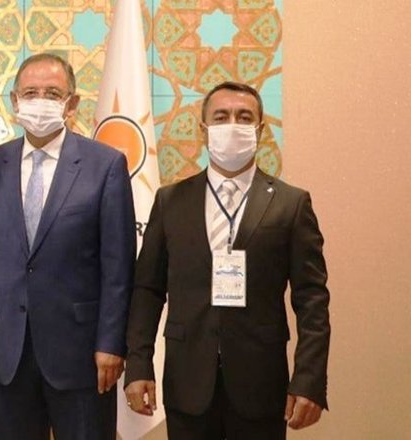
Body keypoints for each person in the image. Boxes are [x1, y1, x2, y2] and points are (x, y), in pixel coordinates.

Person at [124, 81, 331, 439]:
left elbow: (312, 299)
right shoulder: (170, 201)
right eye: (221, 117)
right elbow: (147, 290)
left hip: (261, 385)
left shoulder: (291, 204)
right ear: (203, 130)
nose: (232, 125)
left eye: (244, 117)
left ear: (260, 130)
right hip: (187, 381)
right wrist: (138, 364)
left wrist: (309, 380)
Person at [0, 53, 137, 440]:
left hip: (82, 356)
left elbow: (118, 267)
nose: (40, 101)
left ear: (72, 103)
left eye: (53, 93)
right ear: (15, 101)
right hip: (6, 351)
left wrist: (111, 342)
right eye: (31, 93)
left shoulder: (105, 165)